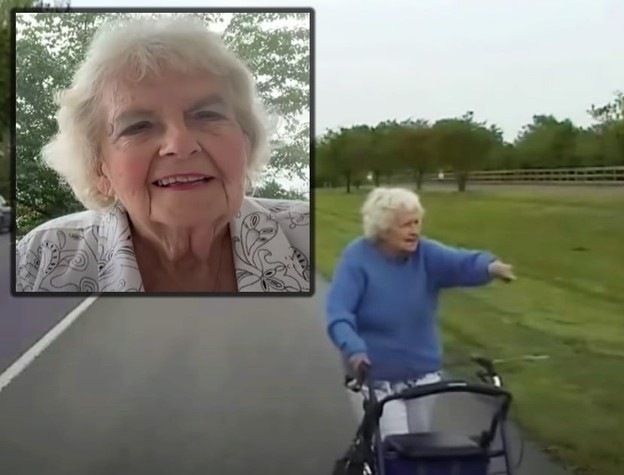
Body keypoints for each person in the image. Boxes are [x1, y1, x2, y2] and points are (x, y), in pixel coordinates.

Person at [15, 16, 310, 293]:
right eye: (138, 126)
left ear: (245, 142)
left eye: (207, 115)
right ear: (99, 169)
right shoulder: (44, 257)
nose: (180, 145)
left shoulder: (312, 237)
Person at [325, 187, 516, 438]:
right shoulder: (357, 259)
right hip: (373, 378)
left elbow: (460, 263)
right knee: (393, 447)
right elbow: (338, 314)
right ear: (383, 228)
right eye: (406, 225)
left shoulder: (426, 254)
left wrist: (490, 267)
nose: (414, 231)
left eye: (417, 223)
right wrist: (354, 349)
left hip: (423, 374)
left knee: (418, 450)